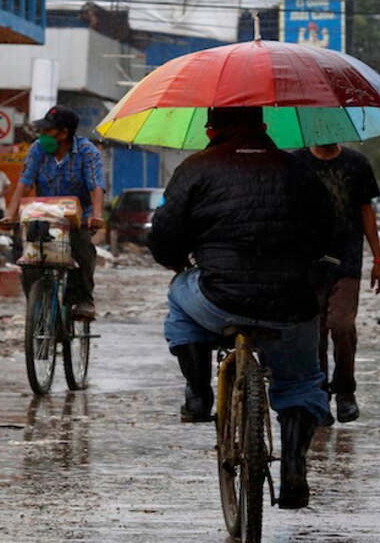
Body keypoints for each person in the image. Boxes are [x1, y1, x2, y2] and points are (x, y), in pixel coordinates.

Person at [147, 106, 334, 509]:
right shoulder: (299, 170)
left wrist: (178, 261)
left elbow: (163, 238)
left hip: (220, 299)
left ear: (210, 130)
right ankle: (294, 467)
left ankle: (198, 395)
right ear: (264, 127)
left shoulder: (195, 168)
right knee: (302, 382)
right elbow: (329, 233)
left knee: (179, 297)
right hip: (291, 303)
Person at [292, 143, 380, 426]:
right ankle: (320, 395)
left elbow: (366, 212)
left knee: (342, 325)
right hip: (308, 263)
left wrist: (378, 259)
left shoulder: (357, 163)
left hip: (346, 262)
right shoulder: (296, 163)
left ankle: (345, 391)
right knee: (315, 333)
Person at [0, 105, 105, 319]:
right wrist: (10, 214)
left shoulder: (86, 151)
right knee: (26, 252)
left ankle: (84, 299)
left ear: (63, 133)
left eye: (48, 130)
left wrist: (96, 215)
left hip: (78, 217)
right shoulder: (37, 149)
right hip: (43, 214)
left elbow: (95, 186)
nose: (43, 135)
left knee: (82, 247)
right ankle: (36, 301)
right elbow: (24, 183)